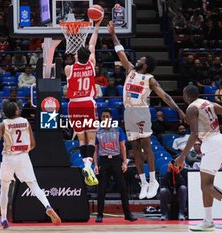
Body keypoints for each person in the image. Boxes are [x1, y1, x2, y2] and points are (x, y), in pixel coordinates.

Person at [108, 21, 185, 199]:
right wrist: (112, 34)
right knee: (134, 148)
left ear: (146, 65)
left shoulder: (149, 79)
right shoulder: (129, 70)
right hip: (129, 113)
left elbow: (165, 96)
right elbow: (120, 52)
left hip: (141, 111)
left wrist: (179, 111)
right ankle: (143, 183)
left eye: (141, 59)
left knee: (146, 146)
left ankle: (153, 180)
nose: (138, 59)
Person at [175, 85, 222, 231]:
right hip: (219, 139)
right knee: (206, 185)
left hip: (211, 142)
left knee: (206, 186)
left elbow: (194, 134)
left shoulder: (191, 108)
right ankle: (208, 220)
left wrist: (182, 157)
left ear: (186, 96)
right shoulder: (207, 103)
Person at [0, 102, 61, 229]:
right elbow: (33, 143)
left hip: (8, 158)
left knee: (4, 189)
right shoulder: (25, 122)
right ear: (16, 111)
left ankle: (3, 219)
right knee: (34, 186)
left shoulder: (2, 125)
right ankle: (47, 206)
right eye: (17, 107)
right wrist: (23, 150)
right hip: (23, 157)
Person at [64, 16, 104, 186]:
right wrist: (96, 27)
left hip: (74, 104)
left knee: (81, 140)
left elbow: (77, 54)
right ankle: (88, 164)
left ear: (76, 56)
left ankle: (85, 164)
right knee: (91, 138)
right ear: (88, 57)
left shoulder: (68, 69)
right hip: (88, 102)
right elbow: (92, 45)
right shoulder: (91, 64)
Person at [93, 109, 137, 223]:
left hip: (116, 160)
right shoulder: (97, 131)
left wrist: (124, 162)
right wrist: (96, 164)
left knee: (123, 188)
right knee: (101, 189)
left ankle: (128, 214)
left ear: (111, 117)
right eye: (103, 116)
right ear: (101, 118)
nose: (105, 118)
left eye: (107, 116)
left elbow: (123, 147)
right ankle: (99, 215)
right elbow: (95, 149)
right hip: (103, 161)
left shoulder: (118, 130)